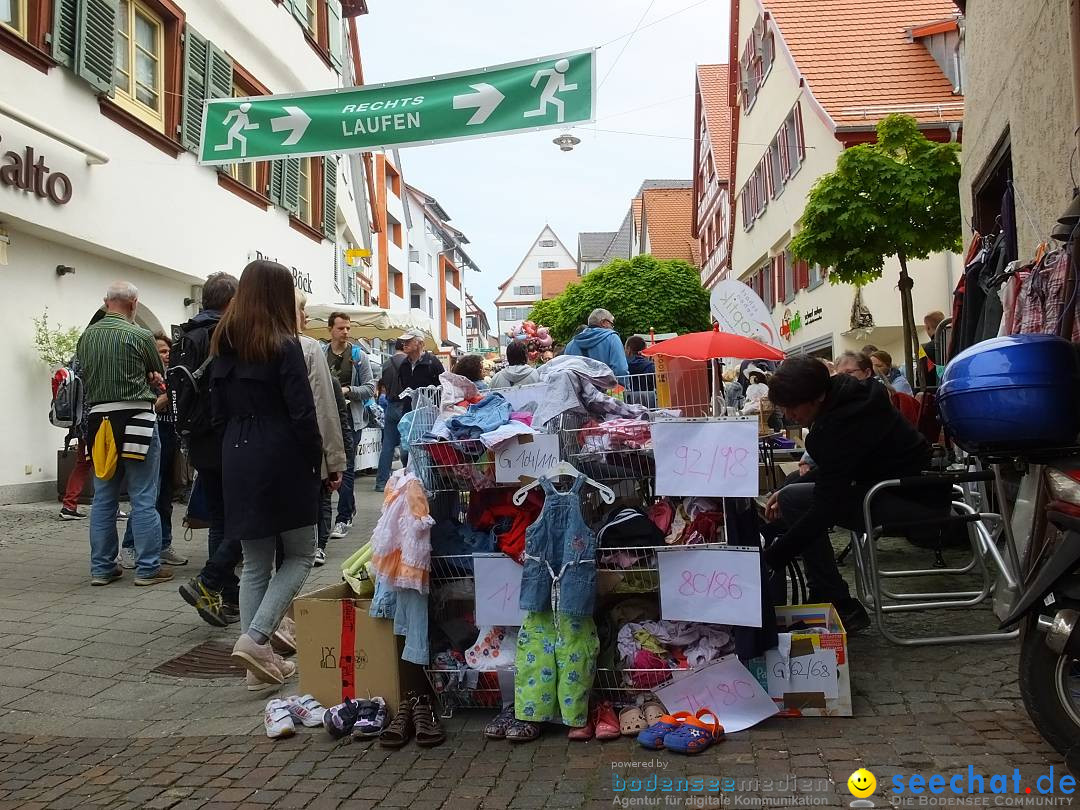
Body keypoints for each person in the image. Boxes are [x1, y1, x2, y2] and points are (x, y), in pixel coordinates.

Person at [211, 260, 324, 686]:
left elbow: (217, 411)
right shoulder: (284, 343)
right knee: (300, 553)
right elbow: (302, 413)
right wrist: (320, 463)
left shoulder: (223, 342)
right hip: (281, 452)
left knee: (256, 562)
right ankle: (256, 640)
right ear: (279, 295)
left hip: (237, 452)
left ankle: (259, 670)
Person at [762, 356, 934, 632]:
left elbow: (824, 507)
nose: (790, 415)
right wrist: (785, 487)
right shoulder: (850, 399)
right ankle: (828, 593)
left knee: (796, 500)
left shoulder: (842, 422)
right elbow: (845, 463)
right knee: (792, 491)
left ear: (818, 396)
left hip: (910, 497)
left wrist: (771, 559)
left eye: (793, 406)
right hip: (896, 483)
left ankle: (836, 600)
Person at [77, 281, 170, 587]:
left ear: (106, 303)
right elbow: (157, 372)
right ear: (133, 304)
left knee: (104, 496)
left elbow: (82, 373)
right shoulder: (141, 334)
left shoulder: (87, 336)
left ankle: (102, 568)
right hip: (137, 418)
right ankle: (147, 568)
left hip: (99, 421)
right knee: (143, 495)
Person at [175, 272, 242, 627]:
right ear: (231, 302)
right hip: (228, 436)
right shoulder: (227, 334)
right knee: (244, 517)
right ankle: (212, 582)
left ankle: (225, 596)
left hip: (198, 439)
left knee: (220, 517)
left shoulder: (186, 334)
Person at [119, 333, 187, 568]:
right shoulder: (147, 378)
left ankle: (164, 543)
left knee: (167, 495)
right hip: (150, 435)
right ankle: (129, 546)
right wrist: (168, 396)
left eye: (168, 351)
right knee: (148, 496)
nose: (166, 356)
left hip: (172, 437)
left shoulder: (174, 374)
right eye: (161, 352)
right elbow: (152, 406)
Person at [296, 294, 347, 567]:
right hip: (305, 451)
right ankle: (317, 546)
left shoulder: (243, 344)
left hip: (256, 457)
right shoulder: (309, 348)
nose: (305, 316)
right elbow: (324, 410)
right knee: (295, 558)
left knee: (258, 564)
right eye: (302, 309)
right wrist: (335, 461)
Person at [324, 312, 374, 542]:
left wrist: (347, 391)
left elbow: (370, 389)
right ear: (330, 330)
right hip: (326, 419)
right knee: (329, 469)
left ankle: (343, 518)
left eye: (348, 328)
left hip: (351, 419)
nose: (345, 332)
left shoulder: (358, 355)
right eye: (341, 328)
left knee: (347, 467)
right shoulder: (321, 353)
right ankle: (348, 507)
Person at [374, 328, 445, 490]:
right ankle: (413, 481)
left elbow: (442, 388)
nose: (404, 344)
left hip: (429, 414)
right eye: (404, 341)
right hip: (408, 411)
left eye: (409, 341)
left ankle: (426, 485)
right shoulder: (404, 364)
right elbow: (403, 386)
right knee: (406, 450)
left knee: (424, 450)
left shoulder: (432, 362)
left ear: (419, 343)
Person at [564, 308, 629, 378]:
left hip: (578, 388)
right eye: (612, 323)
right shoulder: (612, 338)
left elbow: (566, 372)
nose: (612, 327)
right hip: (606, 387)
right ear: (603, 322)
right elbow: (620, 369)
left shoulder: (571, 344)